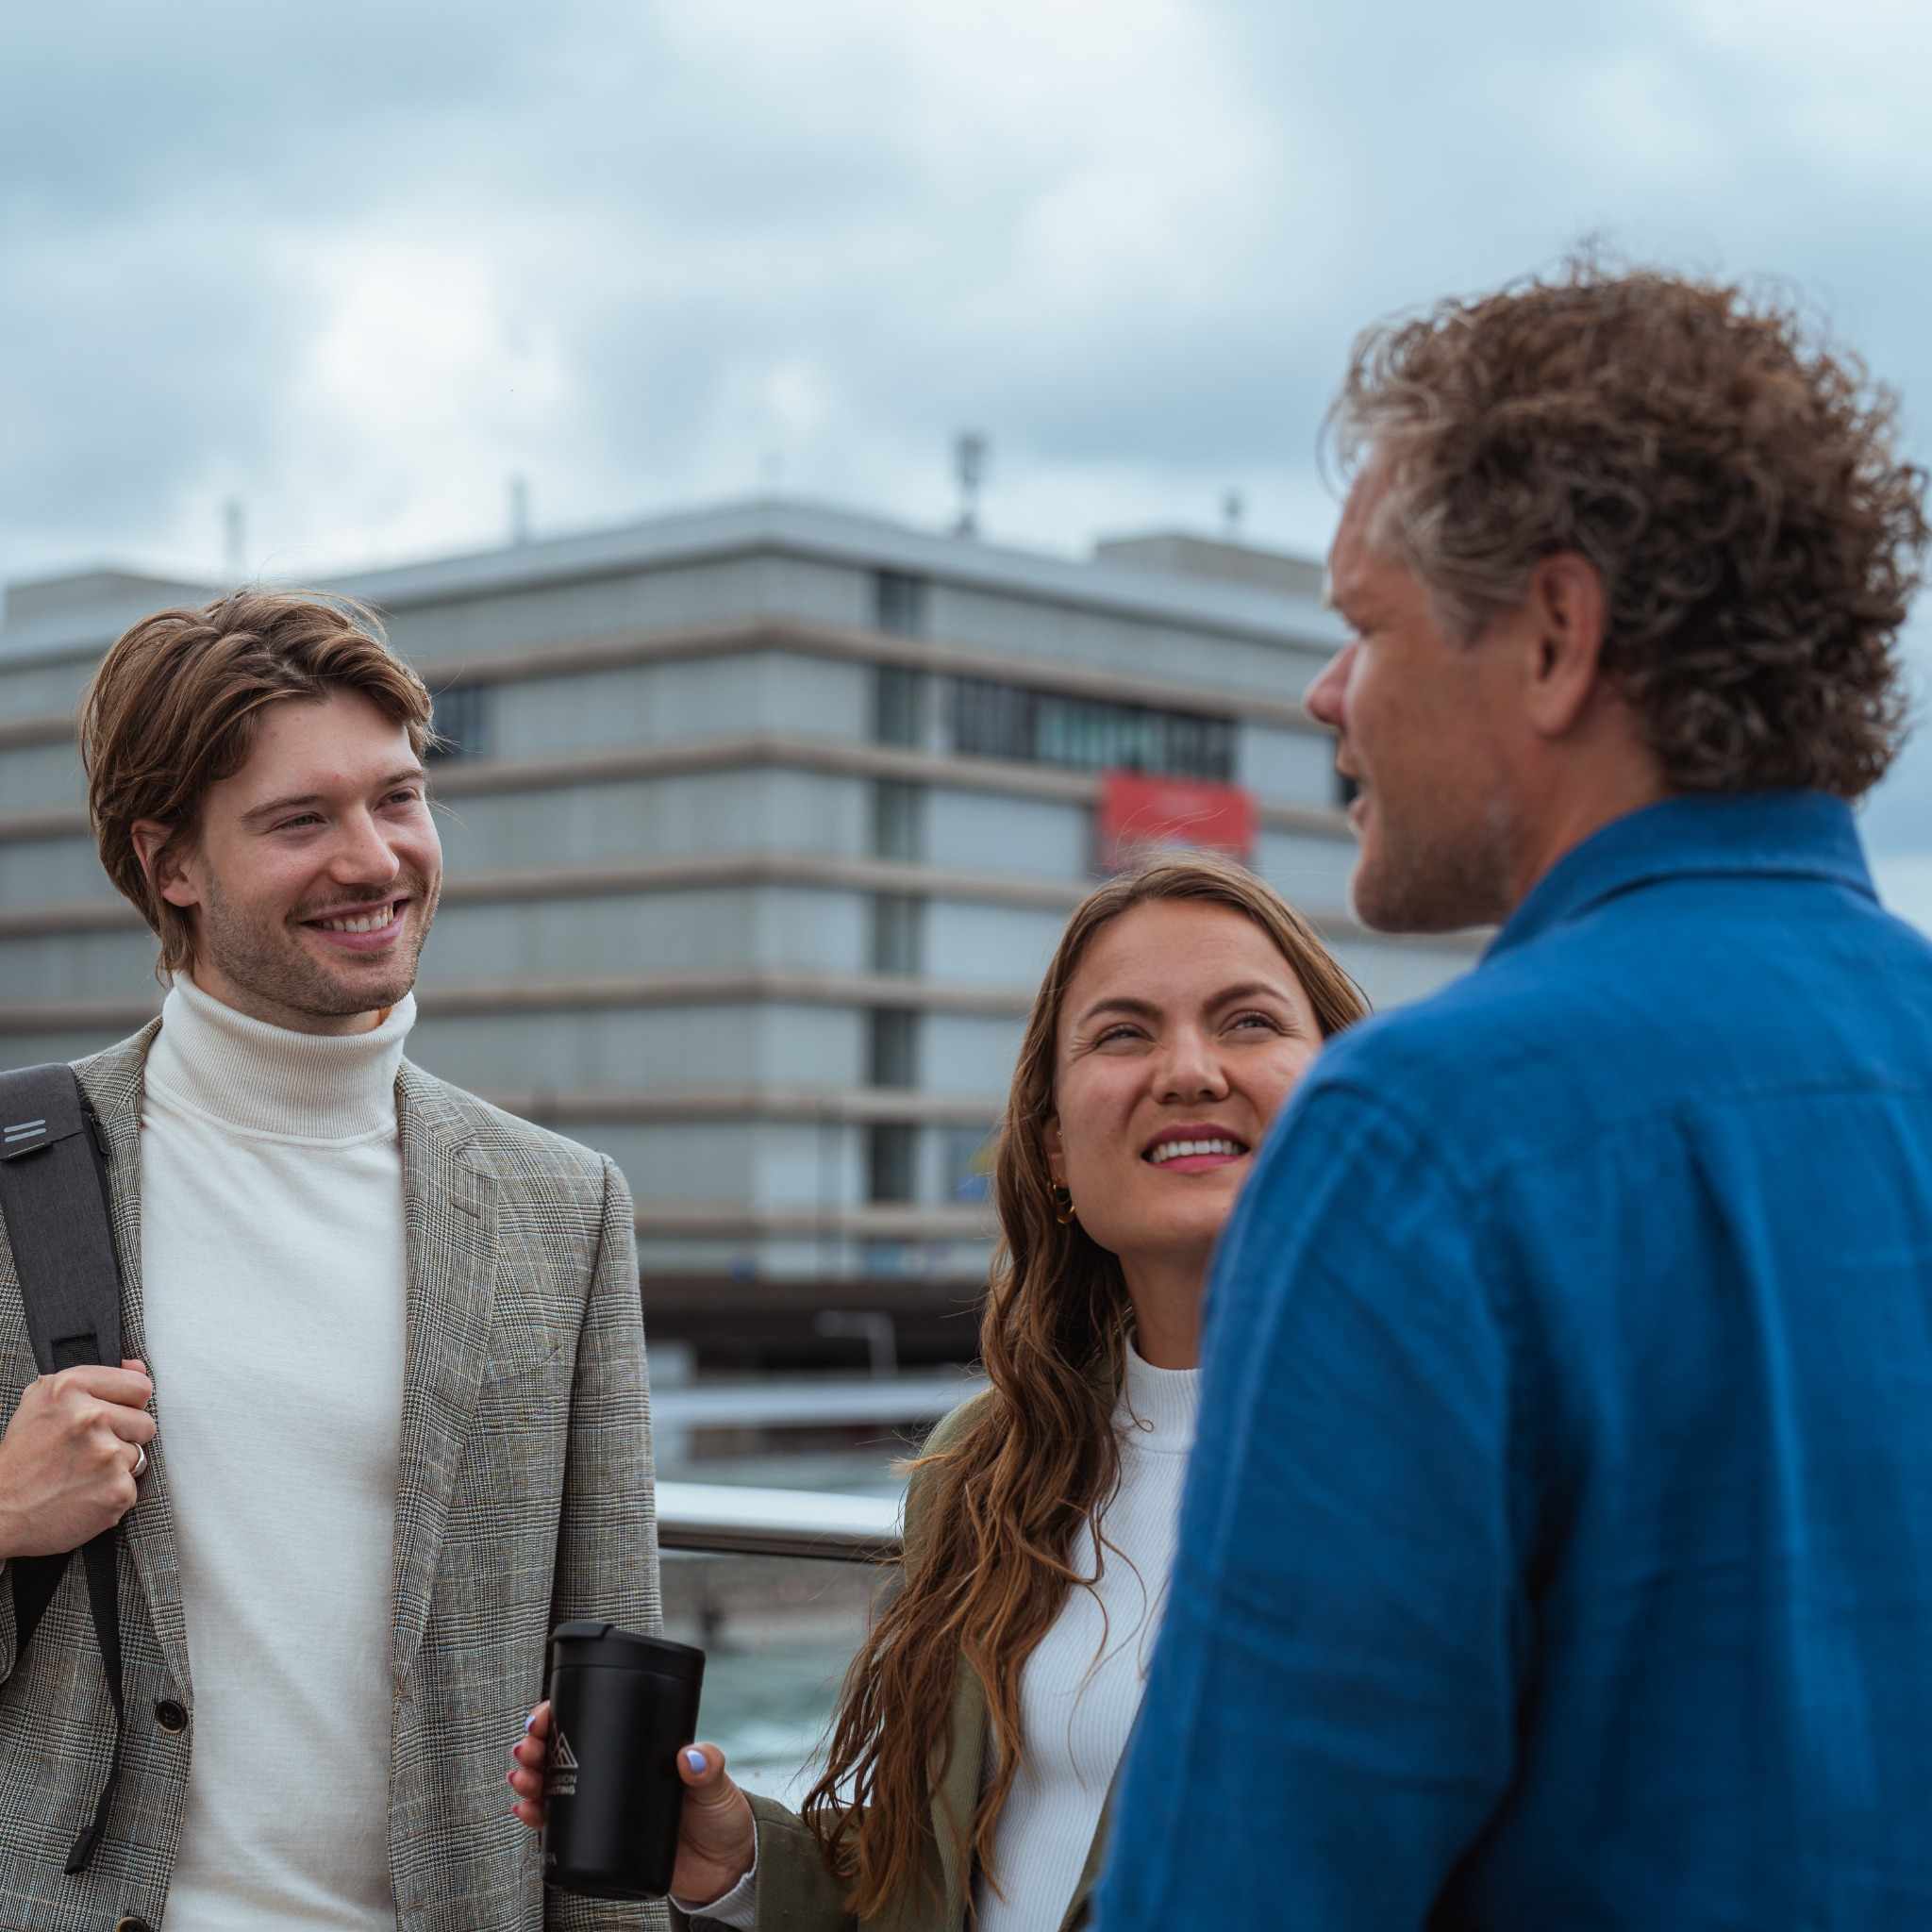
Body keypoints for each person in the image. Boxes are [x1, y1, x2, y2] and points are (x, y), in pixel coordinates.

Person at [1095, 262, 1932, 1929]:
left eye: (1365, 627)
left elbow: (1247, 1882)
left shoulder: (1416, 1139)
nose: (1326, 694)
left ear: (1554, 636)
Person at [509, 853, 1368, 1929]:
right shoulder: (986, 1468)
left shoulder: (1440, 1463)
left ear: (1348, 1093)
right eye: (1122, 1033)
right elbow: (928, 1886)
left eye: (1247, 1021)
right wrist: (739, 1859)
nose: (1188, 1071)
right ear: (1053, 1150)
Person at [0, 592, 658, 1929]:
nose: (373, 859)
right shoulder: (17, 1179)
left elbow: (614, 1678)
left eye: (398, 798)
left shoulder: (564, 1206)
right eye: (300, 821)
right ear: (170, 864)